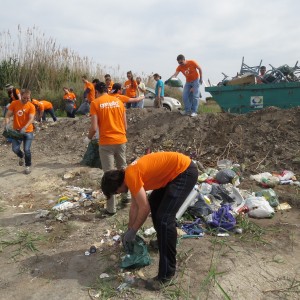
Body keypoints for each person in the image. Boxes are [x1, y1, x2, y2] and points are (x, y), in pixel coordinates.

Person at [101, 151, 198, 290]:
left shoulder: (131, 176)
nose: (120, 194)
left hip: (184, 172)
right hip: (175, 173)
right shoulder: (129, 174)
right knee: (155, 205)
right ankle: (162, 242)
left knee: (164, 219)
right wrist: (129, 229)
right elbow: (135, 206)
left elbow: (144, 209)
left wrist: (134, 230)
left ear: (117, 185)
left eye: (116, 192)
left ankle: (166, 275)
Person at [86, 82, 129, 214]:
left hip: (106, 143)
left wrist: (88, 138)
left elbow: (94, 128)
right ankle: (127, 197)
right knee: (124, 170)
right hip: (121, 140)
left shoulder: (95, 103)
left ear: (97, 91)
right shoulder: (118, 102)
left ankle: (111, 209)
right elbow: (125, 126)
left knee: (109, 175)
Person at [3, 89, 36, 175]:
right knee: (15, 149)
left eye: (28, 98)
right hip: (17, 132)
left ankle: (28, 166)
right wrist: (7, 124)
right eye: (24, 98)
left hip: (28, 131)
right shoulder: (14, 104)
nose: (26, 100)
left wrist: (25, 127)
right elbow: (7, 115)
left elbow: (31, 118)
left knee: (27, 150)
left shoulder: (31, 106)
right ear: (21, 96)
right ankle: (21, 156)